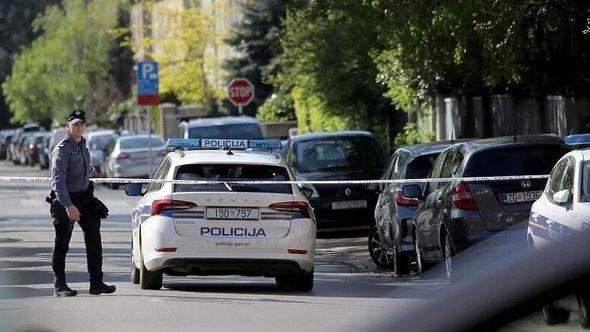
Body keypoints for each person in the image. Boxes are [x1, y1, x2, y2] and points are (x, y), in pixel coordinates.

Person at [50, 110, 115, 297]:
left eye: (81, 124)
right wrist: (68, 205)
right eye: (75, 124)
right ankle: (59, 285)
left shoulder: (84, 145)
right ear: (68, 126)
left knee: (94, 238)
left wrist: (88, 173)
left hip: (85, 198)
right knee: (62, 243)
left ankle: (96, 283)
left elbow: (77, 172)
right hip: (66, 200)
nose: (78, 127)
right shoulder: (62, 149)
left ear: (84, 126)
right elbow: (58, 181)